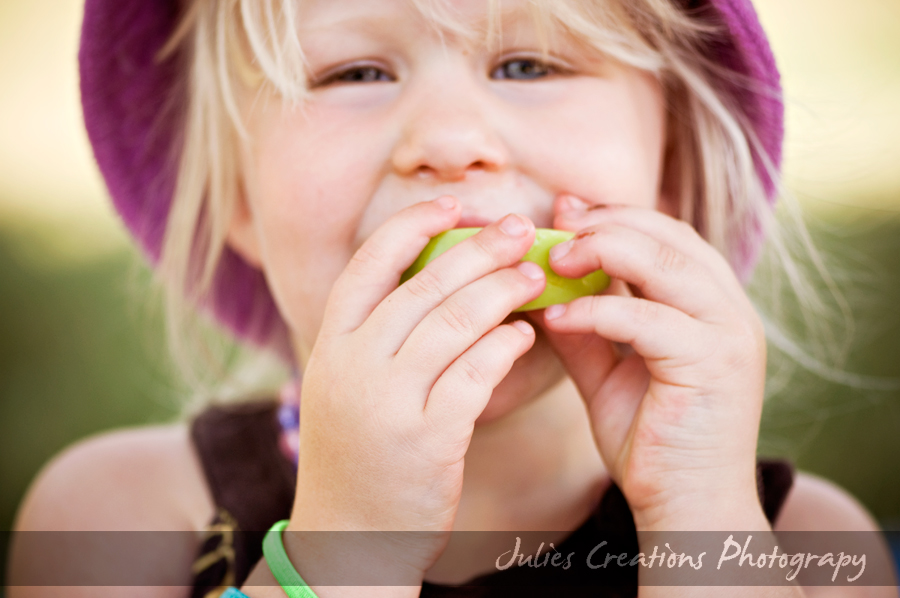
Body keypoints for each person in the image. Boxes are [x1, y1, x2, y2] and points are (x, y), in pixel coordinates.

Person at [7, 0, 897, 597]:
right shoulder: (123, 518)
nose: (449, 140)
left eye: (528, 64)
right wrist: (344, 552)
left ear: (670, 167)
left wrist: (702, 533)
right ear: (237, 200)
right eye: (353, 73)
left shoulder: (805, 545)